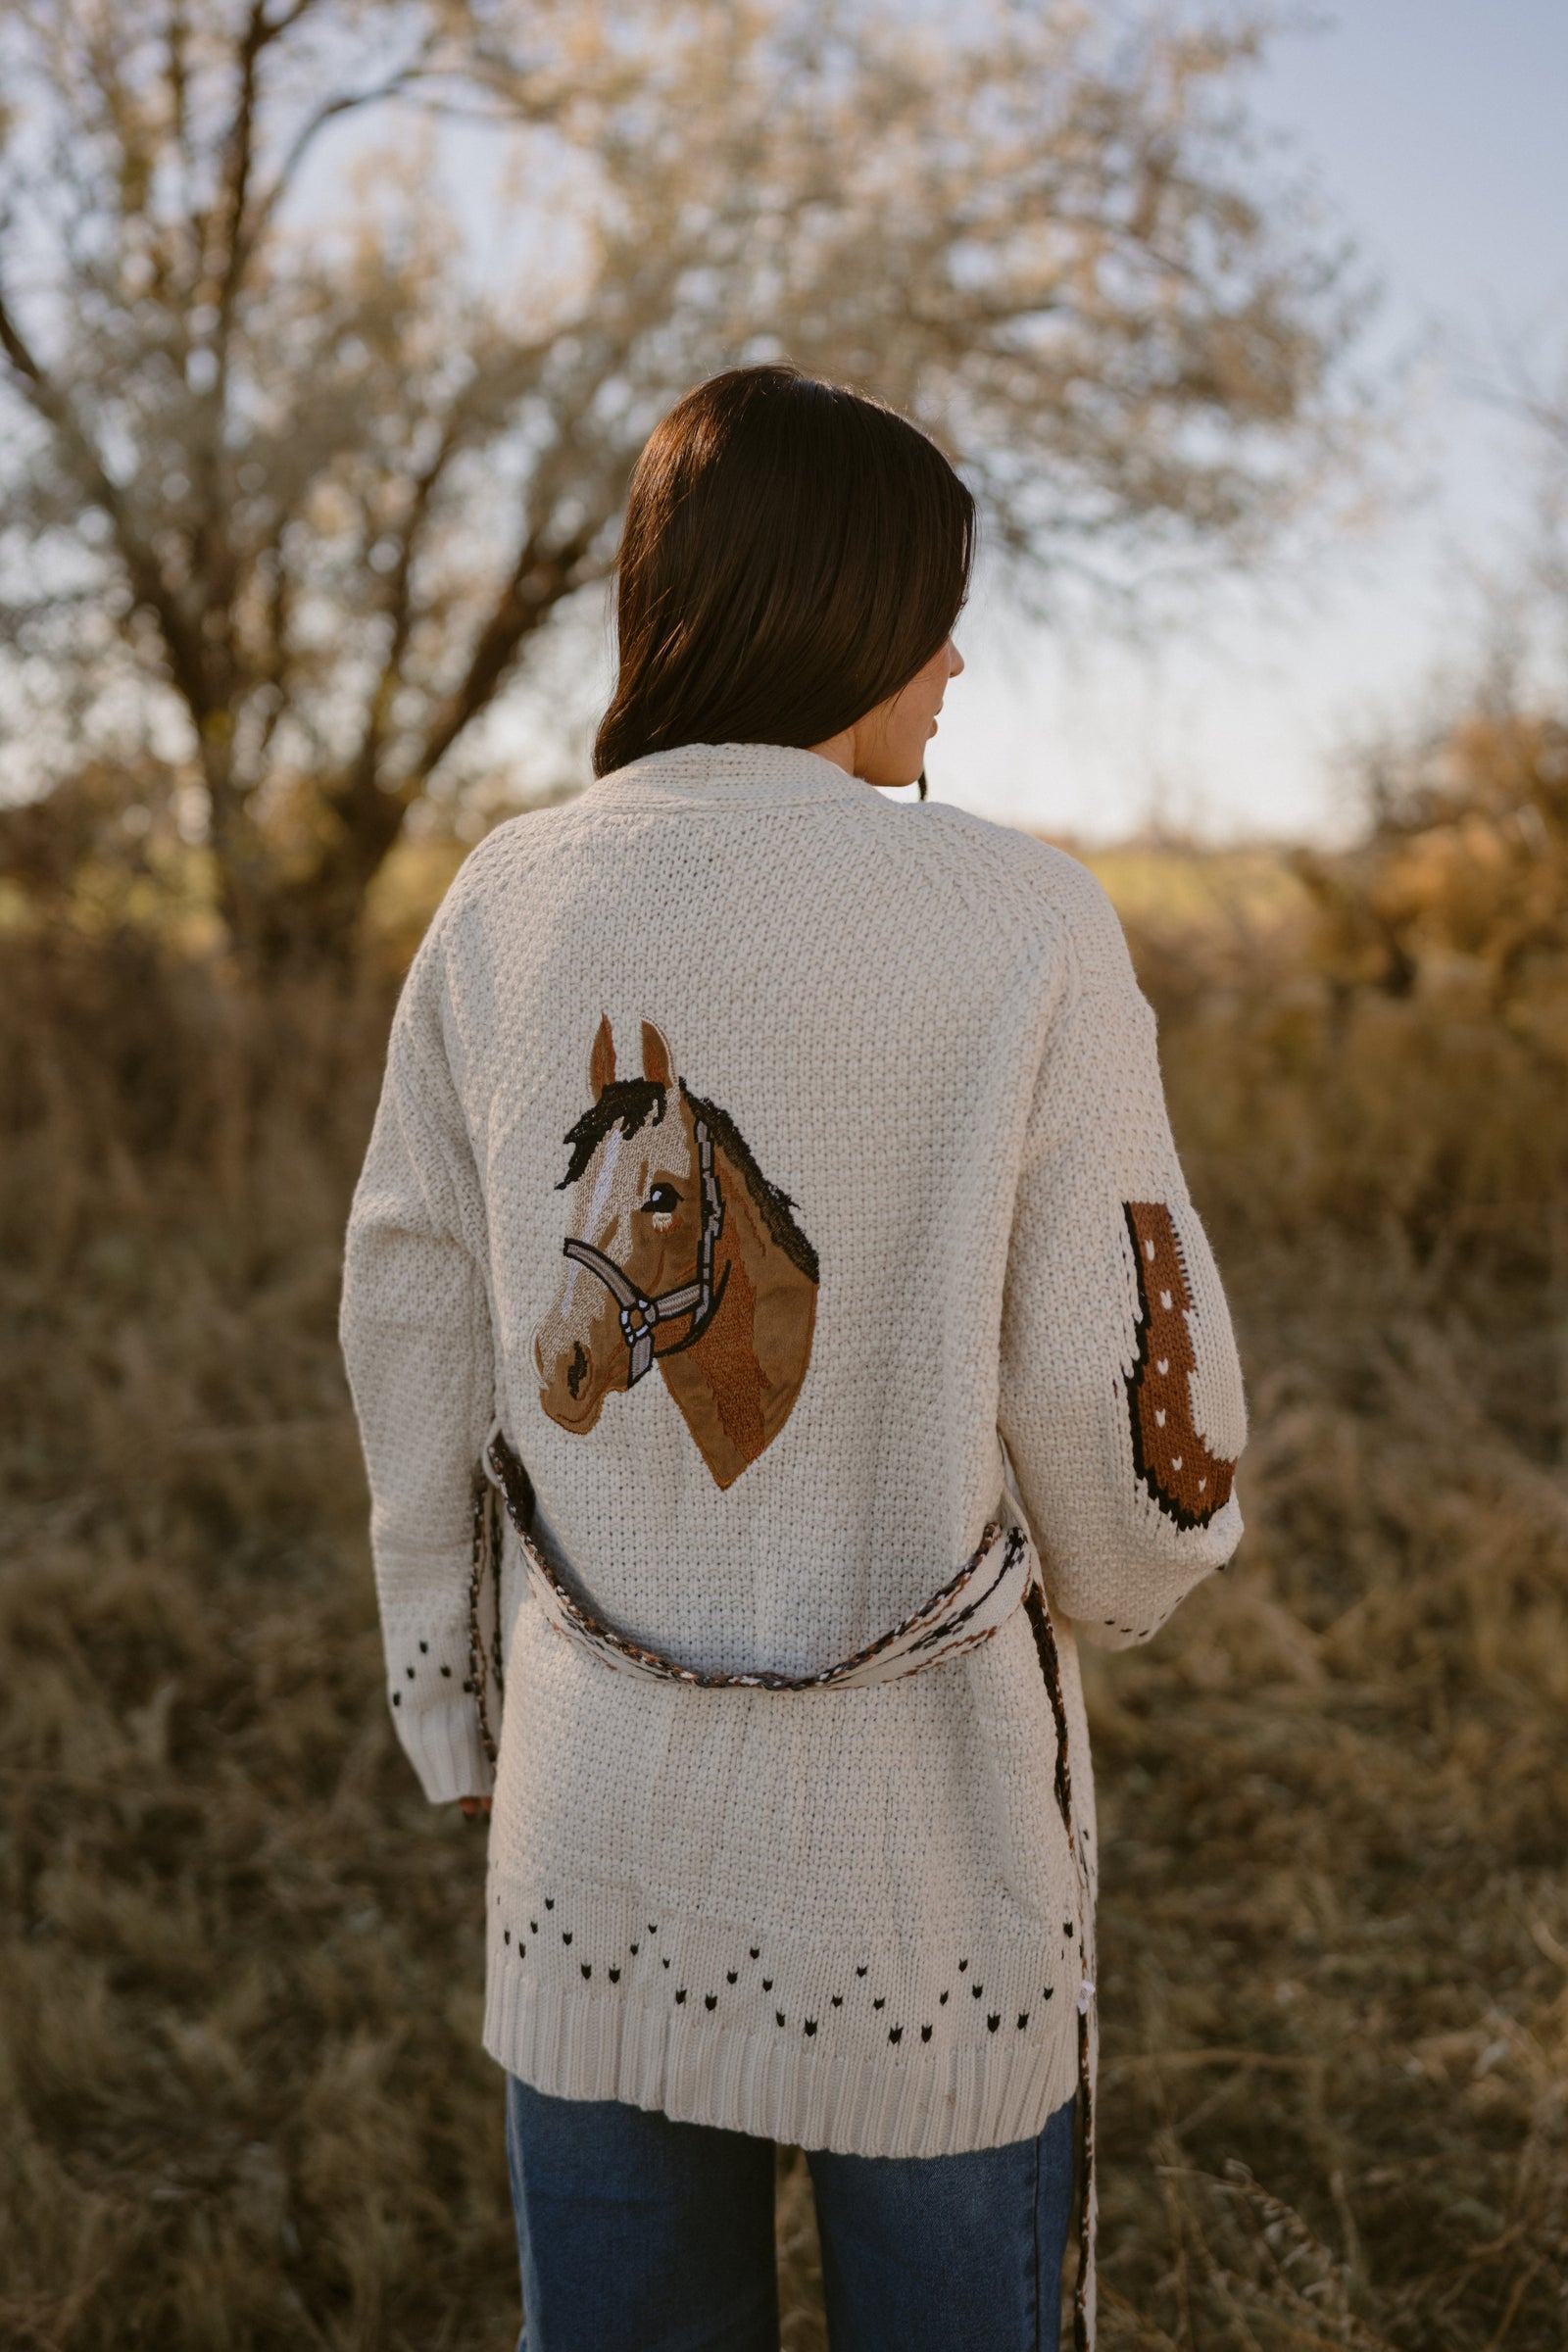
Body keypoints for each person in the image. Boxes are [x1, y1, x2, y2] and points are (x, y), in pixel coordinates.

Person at [340, 364, 1247, 2352]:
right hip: (925, 1868)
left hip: (590, 1827)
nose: (952, 667)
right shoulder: (1022, 915)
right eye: (937, 615)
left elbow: (409, 1310)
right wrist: (1136, 1573)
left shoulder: (504, 899)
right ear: (849, 607)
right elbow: (1121, 1432)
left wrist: (457, 1701)